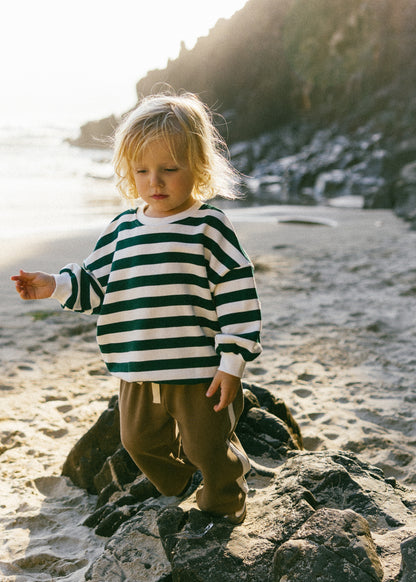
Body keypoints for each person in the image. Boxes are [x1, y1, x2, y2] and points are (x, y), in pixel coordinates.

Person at [11, 92, 262, 524]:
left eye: (169, 169)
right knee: (138, 442)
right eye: (141, 170)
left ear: (198, 167)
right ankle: (180, 483)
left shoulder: (208, 226)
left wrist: (233, 360)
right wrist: (52, 285)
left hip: (198, 368)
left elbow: (236, 291)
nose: (155, 182)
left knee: (207, 444)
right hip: (138, 364)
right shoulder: (124, 228)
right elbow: (93, 283)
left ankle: (224, 497)